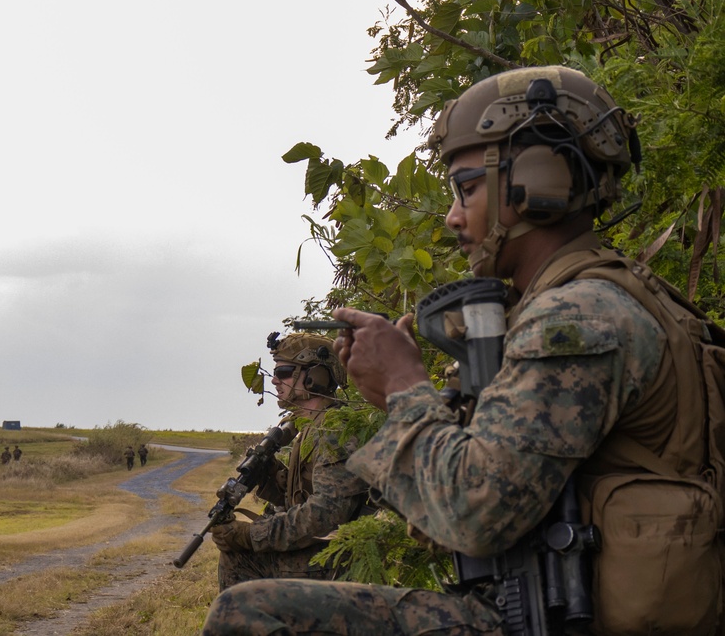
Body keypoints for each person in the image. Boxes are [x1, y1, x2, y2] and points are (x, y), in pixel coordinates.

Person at [202, 66, 721, 634]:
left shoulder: (577, 318)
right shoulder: (603, 299)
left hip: (557, 622)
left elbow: (472, 517)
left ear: (538, 179)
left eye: (467, 187)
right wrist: (399, 399)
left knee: (247, 612)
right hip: (547, 610)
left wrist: (404, 388)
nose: (452, 216)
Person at [210, 331, 371, 592]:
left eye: (284, 371)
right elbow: (300, 497)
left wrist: (250, 536)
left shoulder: (335, 430)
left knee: (237, 557)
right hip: (324, 550)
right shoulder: (309, 426)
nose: (274, 380)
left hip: (338, 559)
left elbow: (325, 516)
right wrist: (267, 474)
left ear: (314, 376)